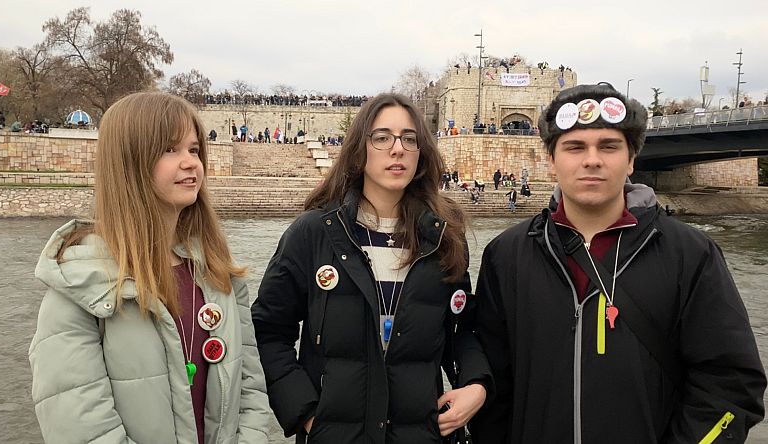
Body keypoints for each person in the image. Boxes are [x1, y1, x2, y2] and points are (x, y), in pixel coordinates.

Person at [471, 83, 766, 443]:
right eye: (574, 147)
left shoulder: (690, 254)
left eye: (608, 146)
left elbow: (730, 383)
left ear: (630, 160)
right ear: (550, 160)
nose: (592, 159)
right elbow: (492, 382)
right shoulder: (506, 255)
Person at [29, 92, 271, 444]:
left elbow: (250, 389)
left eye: (193, 149)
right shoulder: (78, 285)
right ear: (129, 163)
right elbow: (80, 428)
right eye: (169, 150)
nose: (190, 163)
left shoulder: (219, 272)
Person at [252, 93, 492, 443]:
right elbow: (269, 329)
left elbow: (460, 332)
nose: (397, 149)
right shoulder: (313, 234)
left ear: (421, 153)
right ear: (358, 149)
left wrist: (476, 384)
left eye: (409, 139)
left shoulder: (444, 238)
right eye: (382, 138)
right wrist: (305, 412)